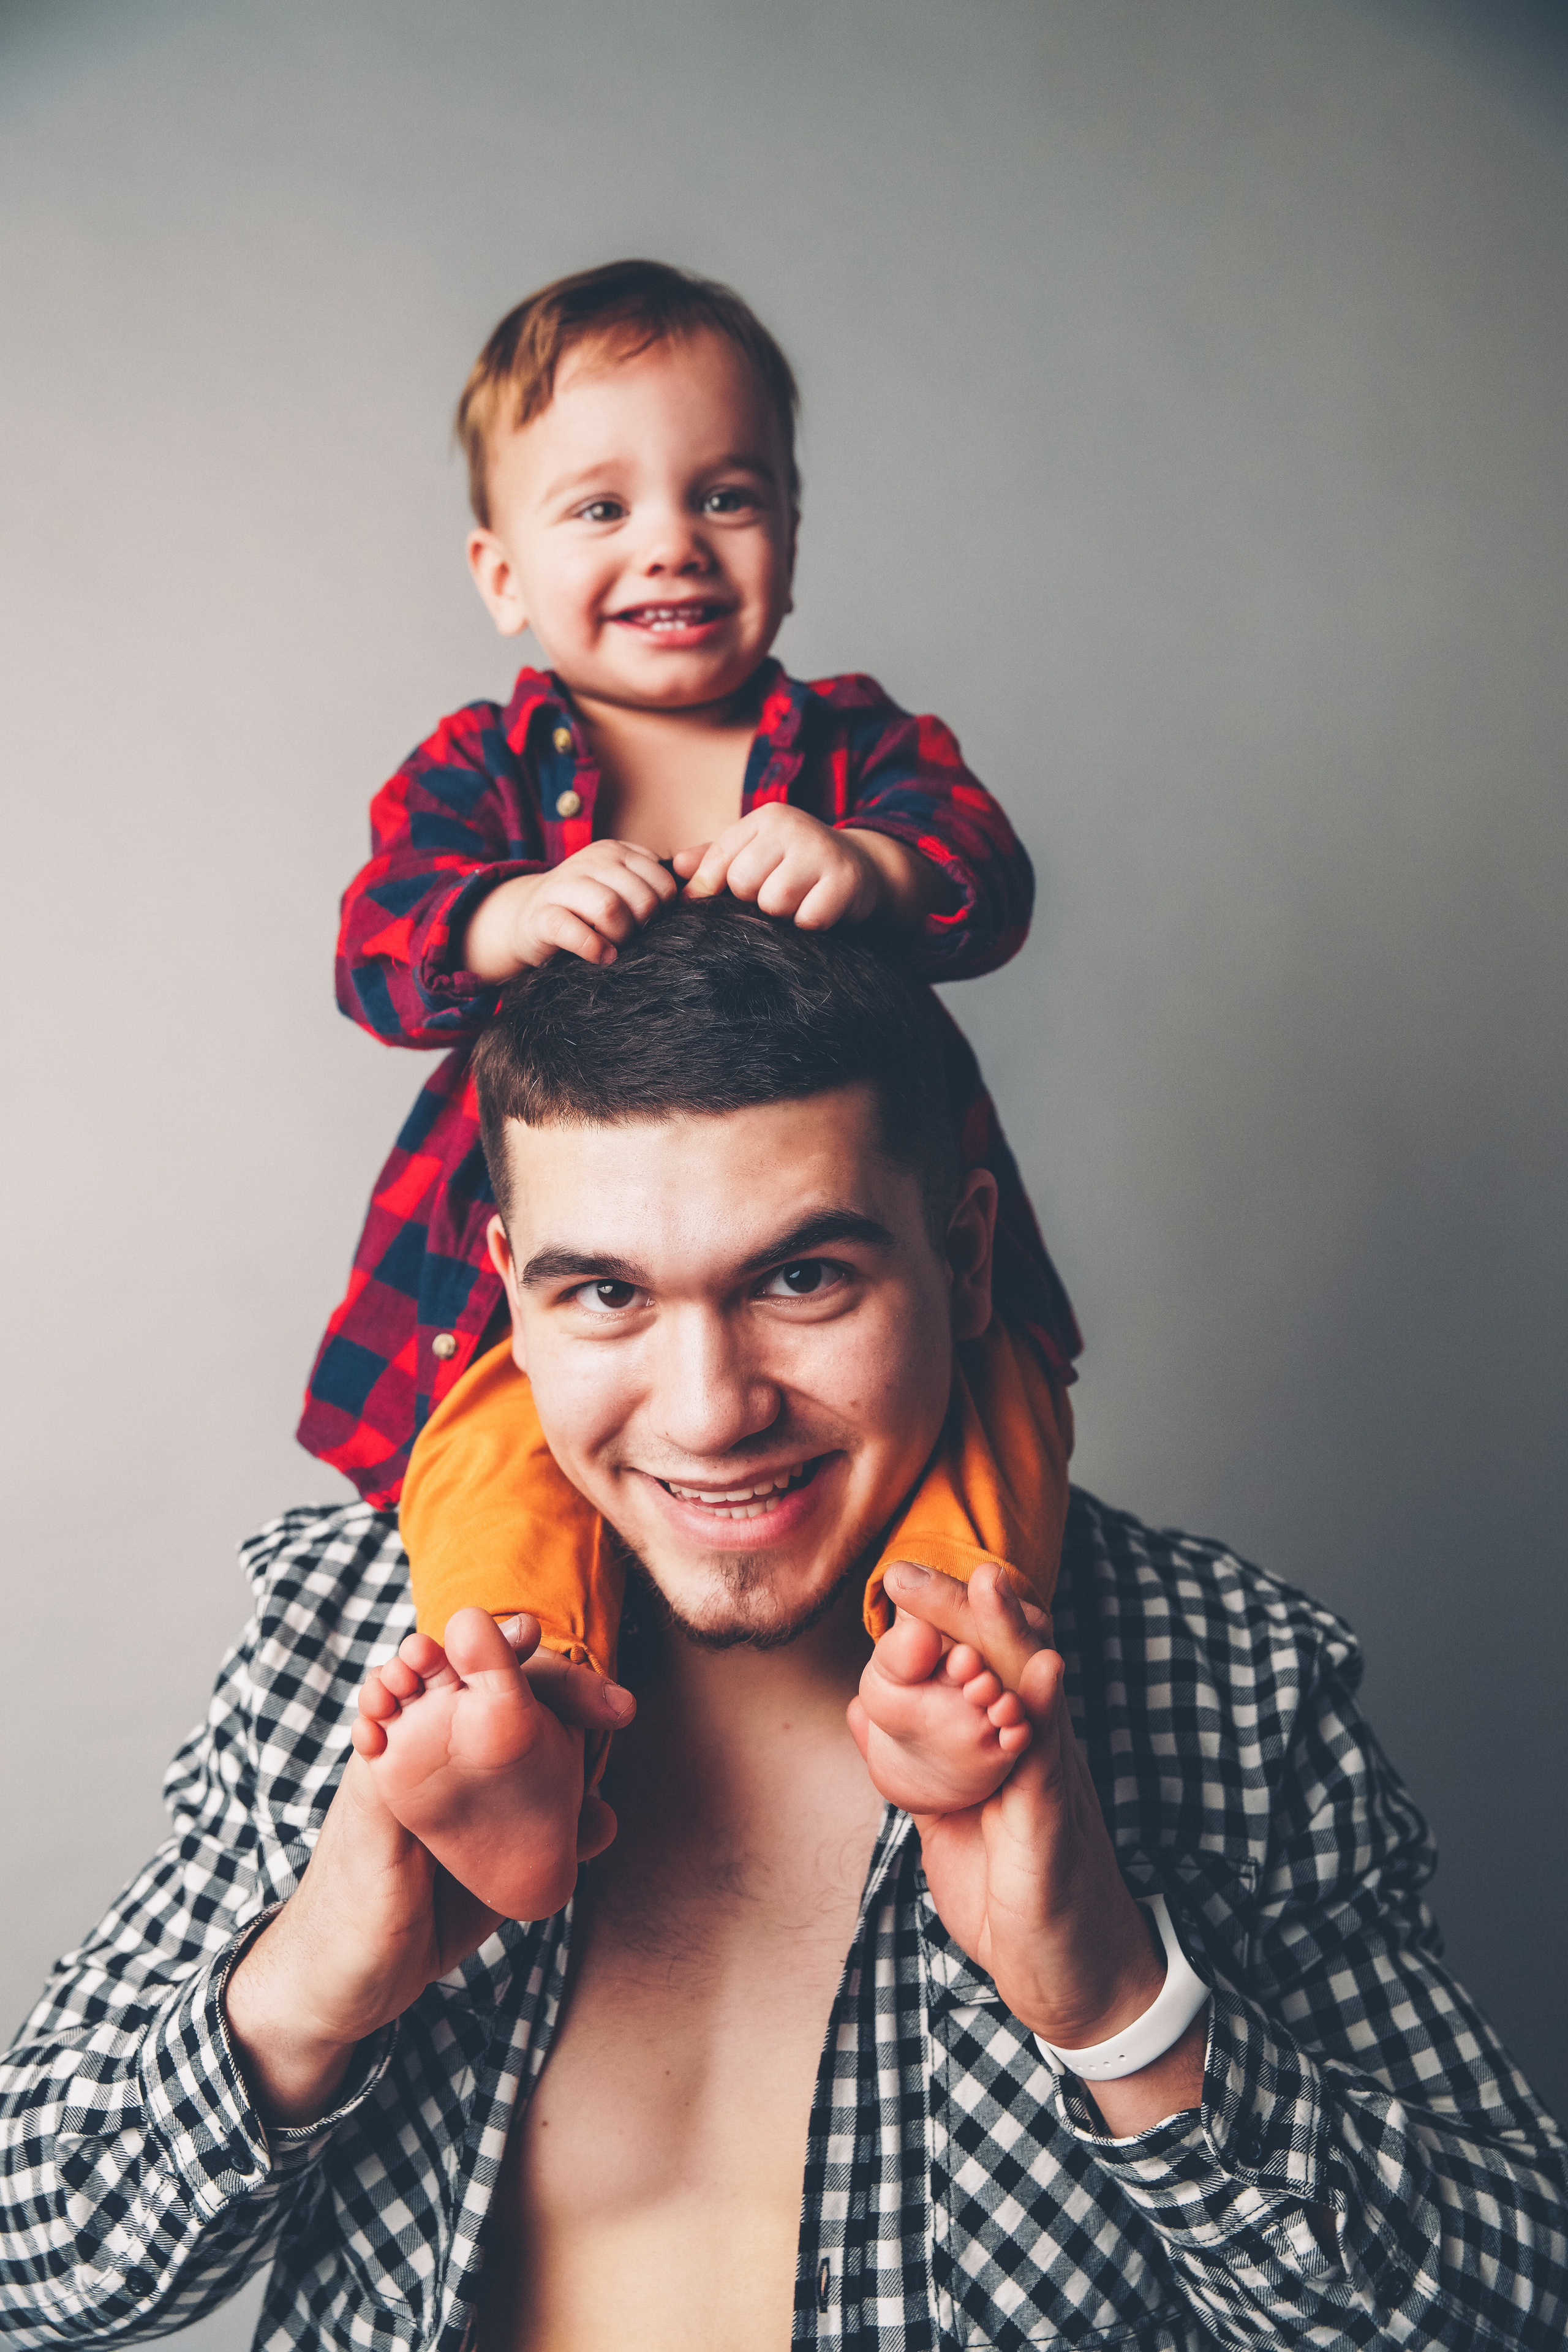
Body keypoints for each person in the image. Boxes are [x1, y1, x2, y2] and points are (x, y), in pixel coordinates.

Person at [3, 902, 1563, 2351]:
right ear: (505, 1290)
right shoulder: (341, 1640)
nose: (710, 1413)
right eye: (603, 1295)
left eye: (800, 1277)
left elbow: (1508, 2307)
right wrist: (312, 1978)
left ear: (959, 1256)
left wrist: (1117, 2010)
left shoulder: (1215, 1674)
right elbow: (35, 2262)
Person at [295, 255, 1080, 1654]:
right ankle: (518, 1701)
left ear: (787, 528)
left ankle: (956, 1658)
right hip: (578, 1226)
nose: (671, 543)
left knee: (991, 1413)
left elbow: (988, 875)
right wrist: (509, 911)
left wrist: (872, 864)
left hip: (846, 1206)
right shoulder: (481, 766)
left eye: (724, 496)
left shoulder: (853, 745)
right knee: (491, 1460)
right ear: (501, 575)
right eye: (602, 507)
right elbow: (375, 945)